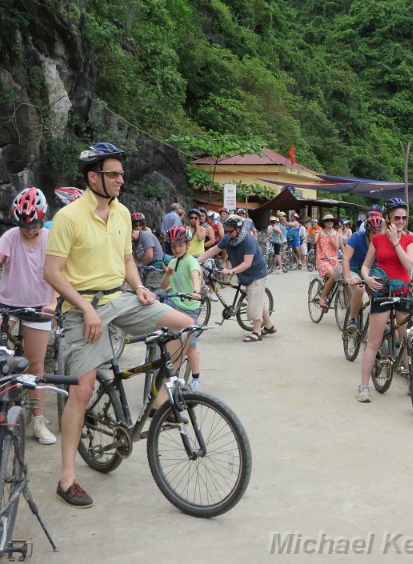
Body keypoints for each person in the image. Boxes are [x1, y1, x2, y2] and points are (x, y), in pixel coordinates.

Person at [44, 142, 191, 508]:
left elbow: (127, 259)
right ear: (93, 177)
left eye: (121, 174)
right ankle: (67, 478)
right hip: (84, 307)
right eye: (113, 174)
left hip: (120, 298)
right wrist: (84, 307)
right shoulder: (69, 217)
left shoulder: (123, 213)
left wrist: (140, 287)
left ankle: (158, 406)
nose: (120, 180)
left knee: (184, 326)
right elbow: (52, 272)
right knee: (81, 390)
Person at [0, 188, 59, 445]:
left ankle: (37, 420)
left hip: (39, 306)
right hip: (8, 304)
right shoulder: (10, 237)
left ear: (42, 219)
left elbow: (59, 273)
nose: (28, 230)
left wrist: (54, 301)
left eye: (33, 224)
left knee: (36, 366)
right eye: (23, 225)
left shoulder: (50, 238)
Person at [357, 198, 413, 403]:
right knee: (373, 342)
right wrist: (366, 277)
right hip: (382, 292)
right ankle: (363, 386)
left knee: (406, 340)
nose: (401, 221)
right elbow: (365, 265)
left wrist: (396, 242)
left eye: (404, 218)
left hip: (402, 292)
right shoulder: (377, 240)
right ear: (388, 218)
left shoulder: (410, 239)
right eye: (397, 217)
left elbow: (408, 265)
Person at [197, 215, 276, 342]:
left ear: (238, 229)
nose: (228, 233)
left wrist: (231, 271)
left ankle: (257, 332)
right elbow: (213, 250)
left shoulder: (248, 240)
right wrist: (197, 261)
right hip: (243, 274)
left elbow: (247, 263)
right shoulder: (228, 239)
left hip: (256, 273)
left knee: (254, 303)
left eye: (230, 231)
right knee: (256, 299)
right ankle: (269, 326)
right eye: (226, 230)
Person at [160, 226, 203, 391]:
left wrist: (196, 291)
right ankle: (157, 357)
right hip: (174, 303)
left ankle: (196, 378)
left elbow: (195, 277)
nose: (177, 249)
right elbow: (163, 286)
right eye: (173, 246)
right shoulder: (172, 262)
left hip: (190, 307)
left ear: (187, 245)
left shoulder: (191, 261)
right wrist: (167, 274)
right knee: (160, 327)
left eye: (180, 245)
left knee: (190, 346)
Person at [342, 210, 383, 331]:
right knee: (359, 288)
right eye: (373, 232)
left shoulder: (381, 240)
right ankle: (352, 319)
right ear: (367, 232)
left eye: (378, 232)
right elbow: (345, 257)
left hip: (371, 269)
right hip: (354, 268)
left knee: (379, 289)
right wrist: (347, 277)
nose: (376, 235)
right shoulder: (357, 237)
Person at [309, 213, 344, 309]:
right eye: (327, 221)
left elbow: (337, 247)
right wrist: (313, 234)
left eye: (331, 221)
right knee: (333, 276)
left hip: (334, 260)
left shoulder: (335, 233)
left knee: (343, 276)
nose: (330, 222)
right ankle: (322, 298)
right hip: (322, 260)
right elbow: (314, 241)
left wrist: (330, 237)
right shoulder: (319, 232)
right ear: (324, 223)